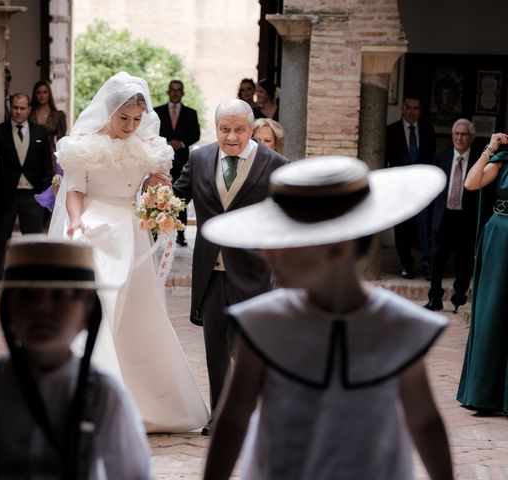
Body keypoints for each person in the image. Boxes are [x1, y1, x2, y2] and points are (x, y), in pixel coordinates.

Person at [201, 156, 453, 480]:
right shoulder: (264, 324)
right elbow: (234, 418)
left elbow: (424, 419)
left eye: (286, 243)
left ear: (336, 248)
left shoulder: (396, 325)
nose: (267, 252)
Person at [49, 71, 208, 433]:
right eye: (124, 118)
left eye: (137, 119)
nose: (131, 126)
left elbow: (149, 186)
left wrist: (158, 189)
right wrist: (75, 221)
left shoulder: (146, 147)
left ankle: (145, 402)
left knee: (135, 311)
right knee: (99, 305)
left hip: (131, 233)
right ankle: (90, 401)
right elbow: (74, 190)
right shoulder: (84, 146)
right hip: (94, 228)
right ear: (109, 112)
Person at [0, 235, 152, 479]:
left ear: (87, 314)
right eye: (28, 295)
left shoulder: (104, 395)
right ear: (8, 309)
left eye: (60, 296)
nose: (42, 308)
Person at [170, 99, 289, 435]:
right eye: (225, 129)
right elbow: (178, 198)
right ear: (216, 127)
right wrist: (156, 200)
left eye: (239, 129)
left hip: (253, 272)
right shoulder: (199, 158)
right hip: (210, 271)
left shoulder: (276, 164)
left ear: (251, 129)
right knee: (216, 348)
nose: (232, 137)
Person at [457, 131, 508, 415]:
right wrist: (490, 148)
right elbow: (471, 183)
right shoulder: (502, 160)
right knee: (490, 309)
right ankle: (483, 393)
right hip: (499, 238)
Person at [0, 93, 53, 281]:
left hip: (33, 193)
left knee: (33, 238)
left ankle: (32, 278)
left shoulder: (40, 132)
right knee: (0, 235)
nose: (18, 112)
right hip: (6, 191)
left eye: (22, 108)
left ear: (29, 109)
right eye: (15, 108)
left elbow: (47, 165)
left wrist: (46, 191)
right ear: (10, 108)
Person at [425, 119, 479, 313]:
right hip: (443, 216)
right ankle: (434, 299)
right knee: (437, 260)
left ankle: (458, 299)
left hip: (465, 219)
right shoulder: (442, 156)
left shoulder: (477, 160)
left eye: (464, 134)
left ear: (471, 138)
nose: (459, 137)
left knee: (463, 262)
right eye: (456, 133)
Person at [385, 96, 436, 279]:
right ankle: (407, 265)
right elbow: (385, 162)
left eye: (416, 108)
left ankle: (428, 266)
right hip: (400, 190)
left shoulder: (428, 131)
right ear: (403, 109)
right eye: (409, 108)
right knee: (402, 230)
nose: (412, 111)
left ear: (420, 111)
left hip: (422, 189)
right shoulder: (391, 131)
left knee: (425, 229)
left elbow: (432, 161)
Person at [154, 79, 200, 246]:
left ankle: (180, 234)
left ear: (183, 93)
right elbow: (151, 132)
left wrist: (181, 143)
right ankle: (154, 232)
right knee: (157, 194)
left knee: (181, 197)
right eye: (172, 89)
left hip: (181, 161)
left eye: (178, 90)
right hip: (160, 161)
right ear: (168, 92)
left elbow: (196, 135)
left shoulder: (191, 113)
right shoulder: (157, 112)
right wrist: (163, 143)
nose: (175, 92)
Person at [29, 80, 67, 169]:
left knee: (50, 180)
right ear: (35, 94)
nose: (42, 95)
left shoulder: (58, 115)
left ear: (49, 94)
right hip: (31, 153)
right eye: (38, 92)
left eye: (45, 92)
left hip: (50, 154)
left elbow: (61, 140)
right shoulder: (30, 114)